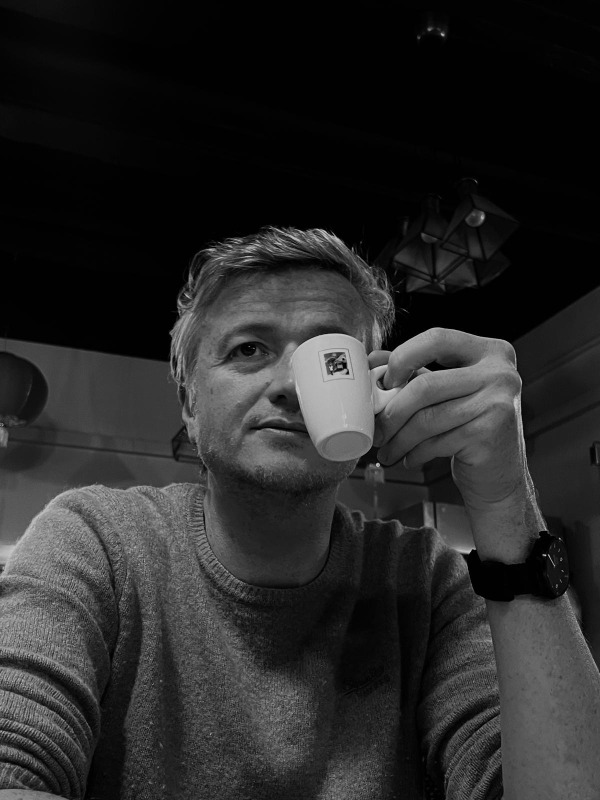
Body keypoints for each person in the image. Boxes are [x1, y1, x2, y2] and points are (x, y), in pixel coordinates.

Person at [0, 226, 598, 800]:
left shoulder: (425, 578)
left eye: (327, 357)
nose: (290, 385)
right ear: (189, 402)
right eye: (248, 349)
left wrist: (504, 501)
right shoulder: (96, 543)